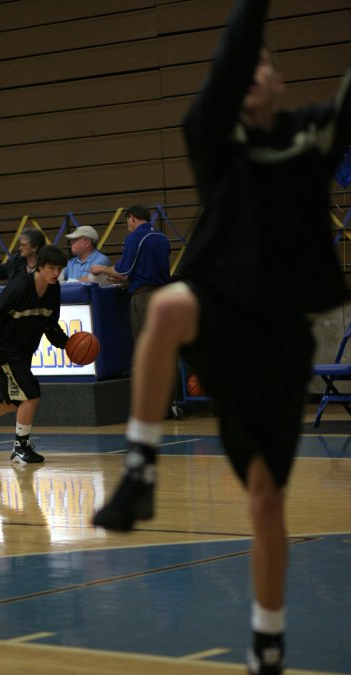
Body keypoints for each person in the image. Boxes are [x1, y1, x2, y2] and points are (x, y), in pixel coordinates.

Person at [92, 2, 351, 674]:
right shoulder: (213, 137)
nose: (255, 69)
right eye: (247, 64)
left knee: (267, 498)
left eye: (269, 63)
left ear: (283, 83)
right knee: (169, 305)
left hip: (280, 339)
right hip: (221, 308)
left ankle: (267, 640)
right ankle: (140, 469)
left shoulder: (309, 135)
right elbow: (233, 52)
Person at [0, 245, 68, 464]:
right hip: (2, 350)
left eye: (59, 269)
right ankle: (20, 448)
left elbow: (50, 326)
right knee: (30, 395)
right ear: (39, 266)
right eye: (51, 268)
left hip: (24, 351)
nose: (56, 273)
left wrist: (70, 345)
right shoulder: (19, 287)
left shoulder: (54, 290)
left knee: (10, 403)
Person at [91, 205, 171, 340]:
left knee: (145, 344)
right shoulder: (163, 237)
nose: (127, 225)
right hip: (165, 296)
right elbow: (150, 269)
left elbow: (122, 271)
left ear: (132, 218)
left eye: (126, 220)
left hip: (144, 298)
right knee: (164, 342)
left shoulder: (134, 237)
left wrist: (101, 269)